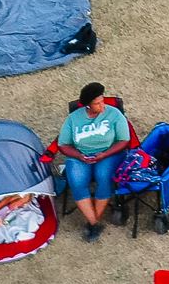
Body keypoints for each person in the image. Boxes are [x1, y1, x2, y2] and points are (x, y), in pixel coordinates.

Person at [51, 82, 133, 241]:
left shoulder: (114, 114)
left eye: (102, 101)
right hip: (80, 155)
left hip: (109, 154)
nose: (102, 105)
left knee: (104, 177)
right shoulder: (73, 119)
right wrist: (79, 156)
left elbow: (124, 140)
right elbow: (63, 144)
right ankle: (94, 222)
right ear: (88, 106)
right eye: (97, 103)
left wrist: (104, 154)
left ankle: (93, 220)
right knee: (76, 181)